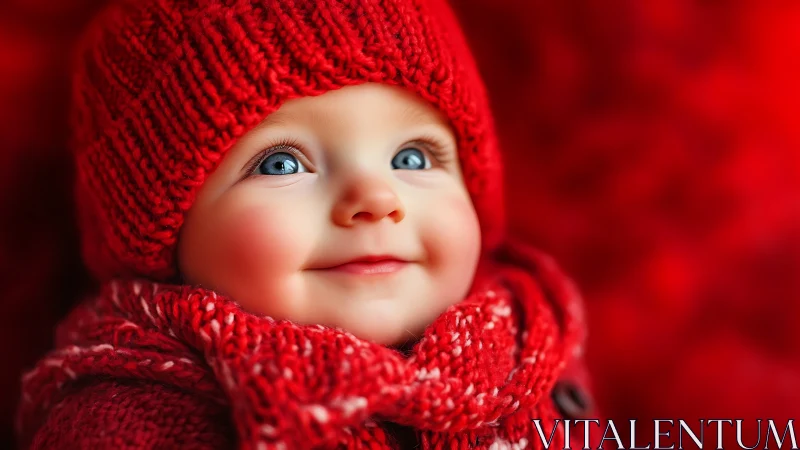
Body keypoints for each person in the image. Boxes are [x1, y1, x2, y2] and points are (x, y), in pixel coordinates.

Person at [16, 0, 596, 448]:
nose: (375, 198)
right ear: (157, 234)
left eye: (413, 157)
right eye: (281, 163)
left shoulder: (529, 337)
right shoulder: (127, 414)